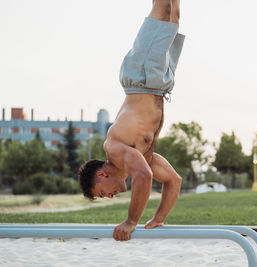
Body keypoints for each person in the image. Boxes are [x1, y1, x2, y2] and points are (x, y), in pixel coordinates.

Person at [78, 0, 184, 242]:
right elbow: (173, 181)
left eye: (103, 194)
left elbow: (144, 177)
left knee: (162, 9)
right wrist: (159, 218)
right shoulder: (141, 158)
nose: (111, 197)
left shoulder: (116, 150)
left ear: (102, 176)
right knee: (173, 15)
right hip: (158, 83)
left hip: (141, 74)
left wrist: (131, 221)